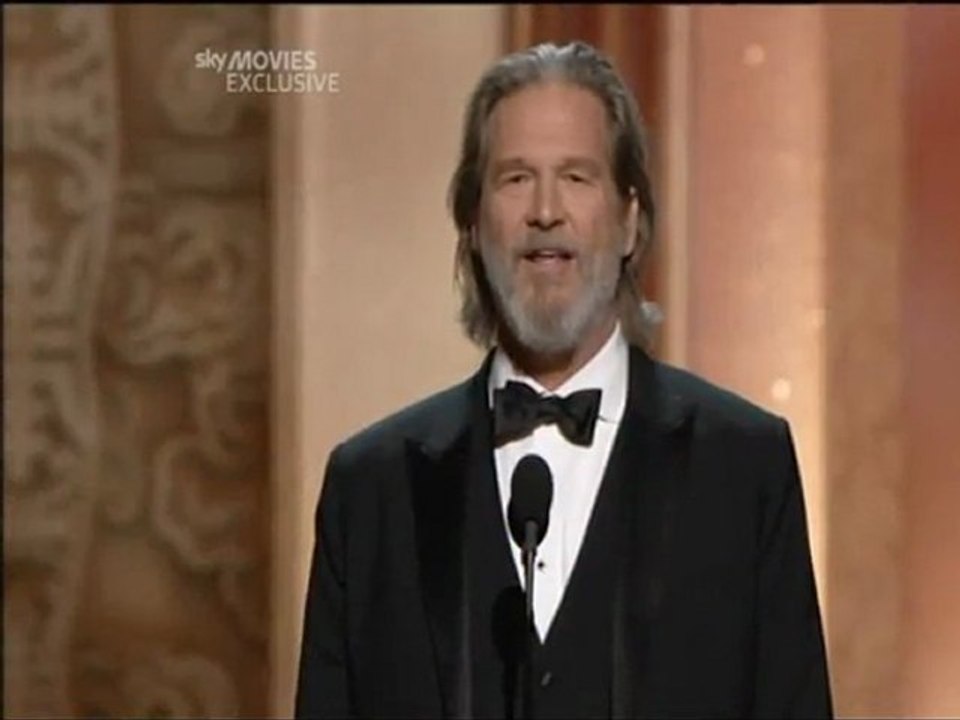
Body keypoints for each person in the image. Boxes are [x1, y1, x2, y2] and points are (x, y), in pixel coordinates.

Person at [295, 41, 833, 719]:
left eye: (577, 178)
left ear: (631, 219)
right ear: (471, 223)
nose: (545, 209)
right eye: (516, 178)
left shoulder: (744, 466)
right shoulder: (370, 490)